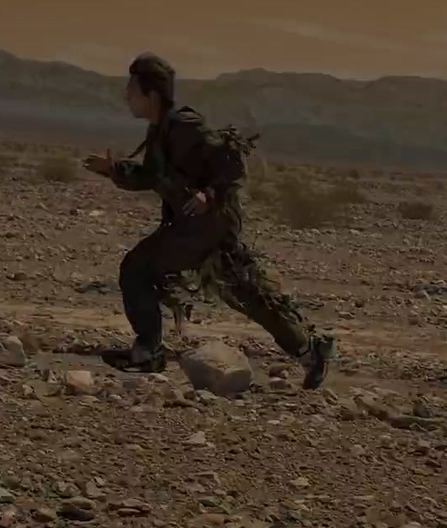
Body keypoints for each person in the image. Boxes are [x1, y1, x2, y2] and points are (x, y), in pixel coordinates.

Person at [82, 53, 336, 389]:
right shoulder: (160, 130)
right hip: (202, 228)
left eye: (131, 89)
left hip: (204, 228)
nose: (126, 96)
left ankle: (147, 351)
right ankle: (310, 351)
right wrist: (114, 171)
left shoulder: (184, 126)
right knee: (246, 294)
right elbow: (151, 177)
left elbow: (231, 163)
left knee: (137, 267)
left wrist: (209, 194)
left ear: (151, 95)